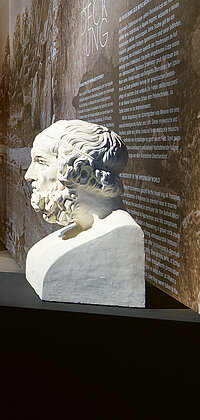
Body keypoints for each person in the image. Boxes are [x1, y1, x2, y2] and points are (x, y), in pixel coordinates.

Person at [23, 119, 144, 306]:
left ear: (84, 172)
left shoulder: (121, 233)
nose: (29, 174)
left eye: (41, 162)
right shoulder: (79, 229)